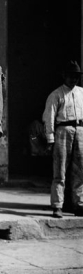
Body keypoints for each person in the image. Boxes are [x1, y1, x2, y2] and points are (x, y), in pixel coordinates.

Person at [42, 60, 83, 217]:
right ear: (64, 76)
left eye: (76, 76)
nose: (73, 79)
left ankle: (79, 204)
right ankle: (57, 205)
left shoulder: (82, 93)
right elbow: (49, 117)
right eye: (71, 76)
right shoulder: (56, 95)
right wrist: (50, 139)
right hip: (63, 131)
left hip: (80, 131)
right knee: (60, 170)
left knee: (80, 170)